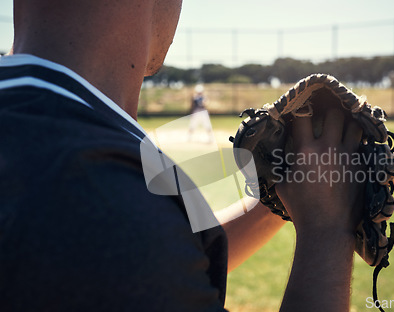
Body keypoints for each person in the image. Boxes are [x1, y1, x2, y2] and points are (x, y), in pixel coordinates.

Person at [0, 1, 364, 311]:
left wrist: (280, 198)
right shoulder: (108, 203)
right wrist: (327, 231)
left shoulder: (55, 134)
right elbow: (135, 246)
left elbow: (174, 256)